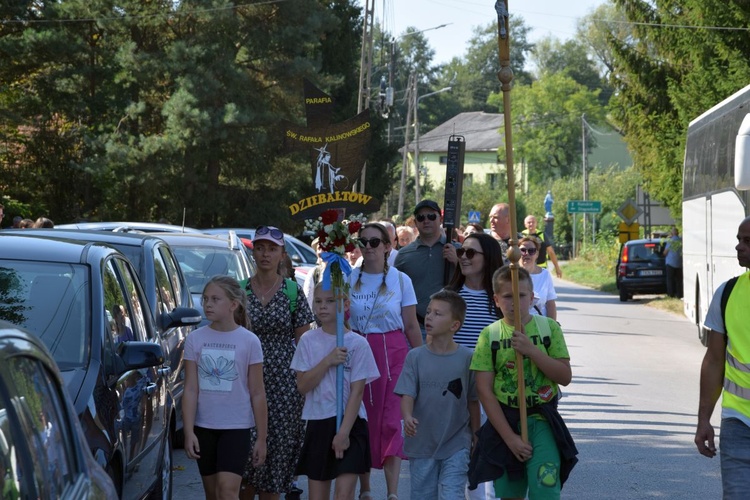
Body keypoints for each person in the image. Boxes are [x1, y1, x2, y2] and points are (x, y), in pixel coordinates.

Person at [468, 266, 577, 499]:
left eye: (521, 295)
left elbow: (564, 377)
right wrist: (510, 438)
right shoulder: (489, 335)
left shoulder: (549, 329)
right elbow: (484, 390)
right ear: (496, 300)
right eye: (507, 296)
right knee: (510, 492)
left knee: (545, 488)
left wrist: (532, 351)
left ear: (532, 297)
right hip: (505, 422)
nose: (515, 302)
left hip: (542, 421)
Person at [348, 222, 423, 500]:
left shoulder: (402, 280)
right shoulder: (347, 277)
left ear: (388, 246)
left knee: (394, 420)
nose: (368, 247)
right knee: (361, 419)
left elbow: (411, 325)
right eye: (363, 241)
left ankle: (392, 493)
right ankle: (365, 489)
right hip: (359, 350)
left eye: (375, 242)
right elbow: (339, 320)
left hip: (393, 352)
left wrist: (423, 362)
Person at [241, 226, 314, 500]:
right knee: (246, 462)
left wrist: (305, 387)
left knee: (275, 463)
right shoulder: (240, 291)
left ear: (282, 254)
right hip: (246, 381)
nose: (265, 254)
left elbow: (305, 344)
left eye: (272, 249)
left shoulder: (292, 292)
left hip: (284, 388)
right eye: (260, 247)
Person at [183, 276, 268, 500]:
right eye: (205, 299)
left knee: (228, 491)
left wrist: (261, 437)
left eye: (215, 299)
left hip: (237, 427)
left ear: (233, 304)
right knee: (213, 494)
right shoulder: (194, 339)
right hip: (204, 427)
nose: (208, 304)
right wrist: (189, 431)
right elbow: (191, 389)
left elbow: (258, 393)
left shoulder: (249, 341)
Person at [292, 284, 380, 500]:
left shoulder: (358, 344)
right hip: (319, 420)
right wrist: (328, 361)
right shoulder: (308, 340)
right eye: (319, 301)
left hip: (351, 423)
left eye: (330, 301)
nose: (323, 307)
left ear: (345, 304)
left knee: (343, 494)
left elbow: (357, 392)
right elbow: (303, 386)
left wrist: (343, 433)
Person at [395, 290, 479, 500]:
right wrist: (407, 417)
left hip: (457, 442)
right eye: (429, 312)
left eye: (438, 314)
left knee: (453, 495)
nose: (430, 316)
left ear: (454, 325)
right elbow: (407, 393)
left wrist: (477, 436)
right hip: (422, 443)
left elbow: (473, 400)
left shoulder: (468, 358)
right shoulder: (415, 357)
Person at [695, 216, 750, 499]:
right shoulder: (727, 293)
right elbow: (714, 361)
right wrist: (704, 420)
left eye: (748, 241)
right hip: (739, 423)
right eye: (739, 240)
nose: (739, 247)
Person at [395, 200, 458, 340]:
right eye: (421, 217)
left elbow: (475, 280)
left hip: (451, 328)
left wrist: (457, 261)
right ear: (416, 222)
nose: (426, 221)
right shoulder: (404, 254)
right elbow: (395, 290)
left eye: (431, 216)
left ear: (440, 219)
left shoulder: (457, 250)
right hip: (416, 327)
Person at [447, 233, 504, 350]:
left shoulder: (504, 297)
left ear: (488, 257)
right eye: (461, 251)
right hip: (454, 367)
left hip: (492, 367)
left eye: (470, 253)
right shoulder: (447, 296)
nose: (463, 257)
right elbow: (433, 338)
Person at [519, 236, 558, 320]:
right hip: (517, 325)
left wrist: (553, 327)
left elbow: (550, 303)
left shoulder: (545, 274)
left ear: (537, 254)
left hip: (540, 326)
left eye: (531, 251)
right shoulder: (509, 274)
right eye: (523, 250)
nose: (526, 254)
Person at [302, 237, 325, 311]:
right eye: (319, 249)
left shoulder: (343, 272)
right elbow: (307, 303)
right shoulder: (314, 273)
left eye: (324, 248)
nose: (321, 252)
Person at [663, 226, 683, 298]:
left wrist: (663, 254)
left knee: (670, 280)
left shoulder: (670, 241)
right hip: (679, 263)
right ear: (677, 233)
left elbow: (665, 252)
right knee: (679, 281)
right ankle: (679, 294)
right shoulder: (681, 240)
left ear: (672, 233)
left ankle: (670, 294)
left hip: (670, 263)